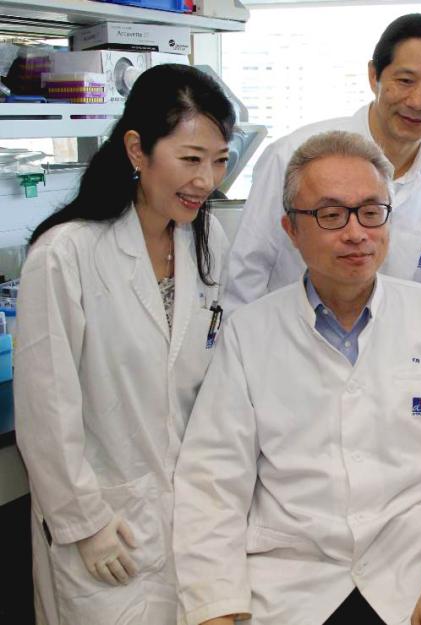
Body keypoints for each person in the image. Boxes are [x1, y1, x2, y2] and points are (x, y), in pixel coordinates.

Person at [172, 130, 421, 625]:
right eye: (331, 214)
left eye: (372, 212)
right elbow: (213, 482)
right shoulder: (249, 332)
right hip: (291, 580)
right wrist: (214, 607)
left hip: (419, 573)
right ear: (291, 229)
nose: (356, 233)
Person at [13, 64, 235, 625]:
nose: (206, 180)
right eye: (190, 159)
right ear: (137, 150)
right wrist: (82, 522)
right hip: (103, 520)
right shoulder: (66, 253)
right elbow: (46, 407)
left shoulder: (206, 242)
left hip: (191, 515)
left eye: (219, 159)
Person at [223, 13, 421, 313]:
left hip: (391, 355)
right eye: (405, 81)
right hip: (289, 344)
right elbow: (246, 272)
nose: (418, 101)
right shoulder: (293, 156)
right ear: (373, 76)